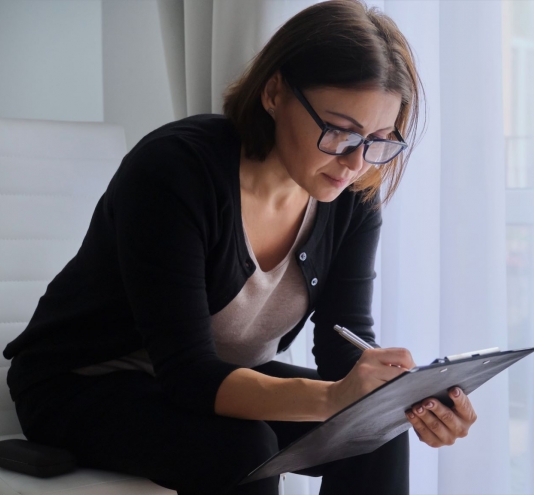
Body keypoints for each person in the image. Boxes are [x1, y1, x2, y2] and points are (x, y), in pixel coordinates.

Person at [2, 1, 478, 494]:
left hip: (212, 377)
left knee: (374, 431)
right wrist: (333, 398)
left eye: (379, 139)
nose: (357, 161)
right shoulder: (176, 170)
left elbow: (344, 342)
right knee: (243, 447)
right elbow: (189, 376)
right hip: (80, 385)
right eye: (339, 131)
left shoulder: (351, 193)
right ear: (275, 93)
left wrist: (401, 399)